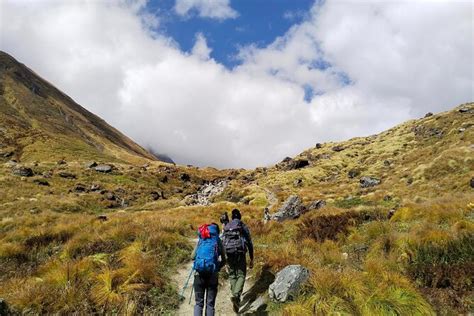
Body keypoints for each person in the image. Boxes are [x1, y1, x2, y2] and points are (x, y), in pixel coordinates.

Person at [222, 209, 254, 313]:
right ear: (239, 216)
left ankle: (235, 296)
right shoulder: (241, 225)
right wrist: (251, 257)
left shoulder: (227, 226)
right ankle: (236, 295)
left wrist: (223, 258)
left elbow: (223, 240)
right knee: (241, 274)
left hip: (229, 253)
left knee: (232, 274)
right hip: (240, 253)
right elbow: (249, 241)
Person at [192, 223, 226, 316]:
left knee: (199, 304)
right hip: (212, 275)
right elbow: (224, 259)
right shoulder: (217, 241)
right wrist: (217, 267)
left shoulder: (201, 239)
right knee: (210, 304)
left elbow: (192, 256)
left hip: (199, 275)